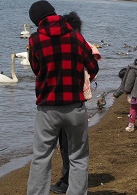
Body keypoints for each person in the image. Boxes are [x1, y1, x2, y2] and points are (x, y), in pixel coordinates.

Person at [26, 1, 99, 195]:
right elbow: (93, 67)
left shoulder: (35, 40)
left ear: (36, 21)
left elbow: (35, 68)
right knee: (78, 156)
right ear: (54, 13)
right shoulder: (76, 37)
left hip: (47, 107)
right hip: (75, 107)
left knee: (41, 157)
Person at [50, 11, 101, 195]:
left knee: (65, 146)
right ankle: (70, 182)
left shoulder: (59, 44)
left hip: (54, 104)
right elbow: (93, 68)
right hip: (76, 103)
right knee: (75, 147)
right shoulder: (82, 45)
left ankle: (66, 182)